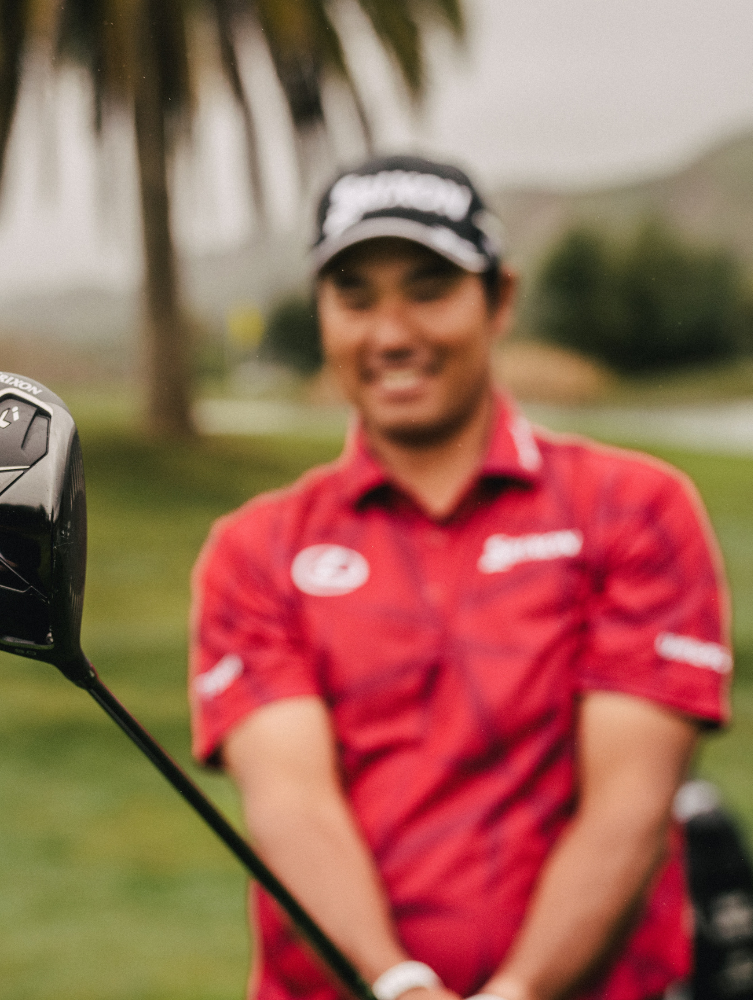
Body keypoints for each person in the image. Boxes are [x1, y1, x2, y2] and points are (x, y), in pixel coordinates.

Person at [188, 154, 732, 1000]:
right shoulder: (253, 550)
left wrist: (517, 992)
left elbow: (629, 805)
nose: (391, 334)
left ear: (500, 299)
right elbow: (292, 806)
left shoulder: (635, 510)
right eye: (355, 298)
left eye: (429, 290)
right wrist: (398, 983)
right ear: (322, 313)